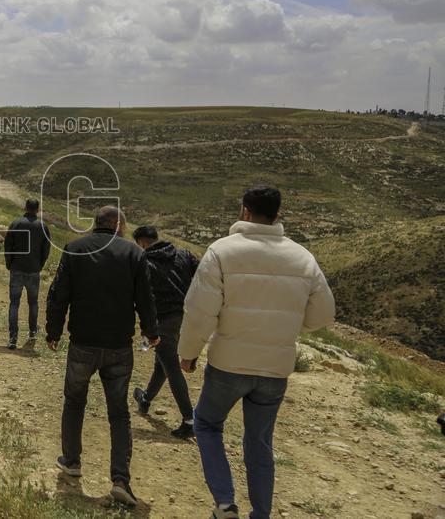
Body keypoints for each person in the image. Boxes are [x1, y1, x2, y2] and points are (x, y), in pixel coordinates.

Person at [179, 186, 335, 519]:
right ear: (278, 215)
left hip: (228, 365)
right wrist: (288, 325)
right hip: (275, 369)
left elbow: (199, 312)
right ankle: (261, 513)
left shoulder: (222, 251)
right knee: (260, 442)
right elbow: (322, 315)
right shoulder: (303, 257)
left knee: (207, 424)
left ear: (245, 211)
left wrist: (188, 353)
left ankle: (225, 503)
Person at [45, 206, 159, 509]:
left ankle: (71, 461)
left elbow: (59, 293)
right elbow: (144, 297)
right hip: (119, 346)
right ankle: (120, 480)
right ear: (119, 225)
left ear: (96, 224)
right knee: (119, 413)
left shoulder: (74, 248)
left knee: (74, 401)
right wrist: (152, 331)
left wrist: (53, 331)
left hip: (82, 343)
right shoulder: (134, 253)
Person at [131, 225, 199, 439]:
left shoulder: (144, 262)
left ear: (141, 242)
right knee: (162, 363)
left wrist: (146, 327)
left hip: (163, 320)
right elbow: (203, 278)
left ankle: (189, 420)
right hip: (187, 317)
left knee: (171, 367)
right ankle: (145, 399)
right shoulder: (184, 254)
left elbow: (141, 296)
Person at [3, 199, 51, 349]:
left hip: (17, 268)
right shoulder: (42, 226)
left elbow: (8, 245)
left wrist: (9, 264)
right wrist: (40, 265)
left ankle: (13, 338)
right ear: (38, 210)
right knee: (33, 303)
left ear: (25, 207)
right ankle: (32, 332)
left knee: (14, 303)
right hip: (33, 270)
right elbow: (46, 249)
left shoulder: (16, 223)